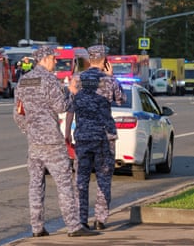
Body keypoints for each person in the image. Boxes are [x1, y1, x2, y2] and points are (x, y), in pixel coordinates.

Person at [13, 46, 99, 238]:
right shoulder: (49, 79)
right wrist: (71, 92)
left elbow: (17, 114)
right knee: (64, 184)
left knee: (35, 185)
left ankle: (37, 228)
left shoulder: (24, 81)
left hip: (34, 143)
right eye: (53, 58)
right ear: (43, 59)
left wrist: (30, 131)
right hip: (52, 141)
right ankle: (73, 226)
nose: (55, 62)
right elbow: (61, 106)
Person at [65, 45, 126, 231]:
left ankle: (81, 220)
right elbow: (121, 100)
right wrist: (113, 76)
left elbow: (70, 107)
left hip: (83, 136)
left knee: (81, 180)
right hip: (103, 137)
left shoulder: (76, 80)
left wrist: (67, 132)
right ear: (105, 60)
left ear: (90, 59)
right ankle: (100, 219)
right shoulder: (109, 80)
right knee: (104, 178)